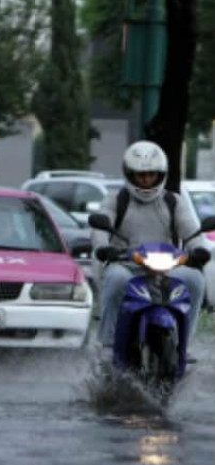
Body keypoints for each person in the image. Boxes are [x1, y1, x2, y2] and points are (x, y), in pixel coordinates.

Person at [92, 141, 207, 350]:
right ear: (129, 174)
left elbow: (191, 231)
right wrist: (103, 247)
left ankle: (184, 343)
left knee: (195, 280)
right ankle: (107, 344)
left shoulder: (174, 202)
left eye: (151, 175)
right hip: (126, 264)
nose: (146, 180)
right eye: (140, 175)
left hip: (168, 267)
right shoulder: (116, 199)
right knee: (116, 279)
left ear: (161, 175)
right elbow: (100, 227)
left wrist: (199, 249)